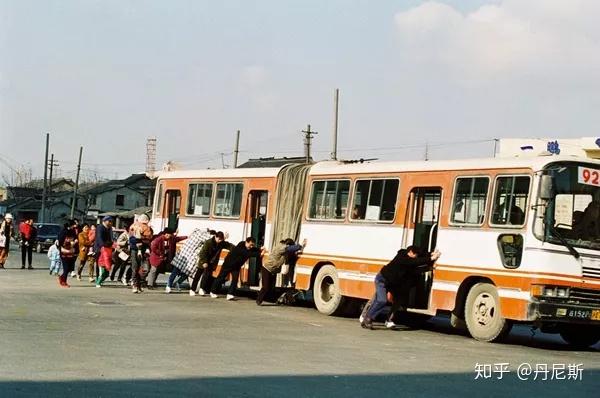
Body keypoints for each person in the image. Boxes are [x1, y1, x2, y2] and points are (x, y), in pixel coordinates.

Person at [360, 246, 441, 330]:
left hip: (393, 283)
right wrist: (431, 258)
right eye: (415, 254)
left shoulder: (409, 260)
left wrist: (430, 256)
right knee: (381, 300)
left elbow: (415, 268)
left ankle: (371, 319)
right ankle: (367, 318)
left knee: (388, 300)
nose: (416, 256)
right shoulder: (402, 257)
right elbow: (416, 262)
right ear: (410, 252)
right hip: (382, 280)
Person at [256, 238, 306, 305]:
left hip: (273, 271)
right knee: (265, 286)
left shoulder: (285, 251)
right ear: (287, 244)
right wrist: (300, 246)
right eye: (290, 246)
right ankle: (259, 300)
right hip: (267, 268)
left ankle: (271, 299)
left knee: (271, 287)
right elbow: (290, 248)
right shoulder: (281, 247)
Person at [166, 229, 215, 295]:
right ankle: (173, 284)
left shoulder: (196, 233)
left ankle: (169, 286)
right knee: (186, 272)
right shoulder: (203, 236)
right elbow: (211, 240)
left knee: (176, 271)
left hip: (182, 255)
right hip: (188, 257)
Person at [189, 230, 227, 296]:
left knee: (206, 276)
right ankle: (192, 289)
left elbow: (228, 245)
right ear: (215, 236)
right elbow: (202, 253)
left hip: (211, 262)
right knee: (198, 275)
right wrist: (204, 262)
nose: (219, 240)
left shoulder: (221, 243)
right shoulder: (208, 242)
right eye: (219, 239)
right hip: (203, 261)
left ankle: (201, 289)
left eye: (221, 239)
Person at [58, 220, 79, 288]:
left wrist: (75, 241)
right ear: (71, 225)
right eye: (74, 225)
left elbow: (76, 238)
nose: (75, 226)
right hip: (64, 252)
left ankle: (62, 277)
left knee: (70, 268)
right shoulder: (63, 232)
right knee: (66, 268)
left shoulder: (72, 231)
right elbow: (60, 242)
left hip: (71, 252)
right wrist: (69, 243)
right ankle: (64, 281)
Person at [95, 216, 114, 287]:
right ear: (105, 221)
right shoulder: (100, 227)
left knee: (106, 265)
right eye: (109, 221)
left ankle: (100, 279)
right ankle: (98, 280)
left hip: (107, 249)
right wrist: (102, 246)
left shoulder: (109, 228)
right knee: (100, 265)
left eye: (111, 221)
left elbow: (111, 239)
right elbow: (99, 238)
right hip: (100, 249)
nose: (111, 223)